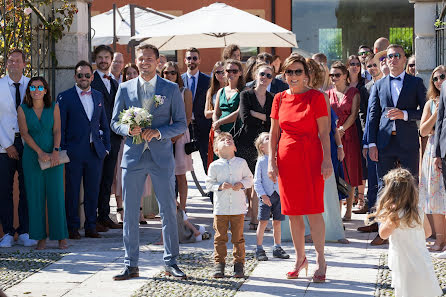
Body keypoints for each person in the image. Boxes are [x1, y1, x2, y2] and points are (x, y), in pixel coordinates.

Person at [111, 44, 187, 280]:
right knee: (130, 213)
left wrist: (159, 133)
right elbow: (114, 122)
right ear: (136, 61)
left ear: (158, 62)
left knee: (168, 211)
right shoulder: (124, 88)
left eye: (149, 59)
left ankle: (171, 262)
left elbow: (182, 123)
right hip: (133, 157)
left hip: (161, 157)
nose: (145, 62)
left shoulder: (171, 88)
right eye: (141, 59)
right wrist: (127, 128)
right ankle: (130, 264)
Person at [268, 54, 332, 281]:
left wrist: (327, 160)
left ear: (307, 75)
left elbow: (324, 133)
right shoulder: (278, 98)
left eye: (298, 72)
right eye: (289, 72)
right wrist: (271, 162)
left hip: (312, 158)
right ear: (284, 75)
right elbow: (274, 134)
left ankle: (321, 260)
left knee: (314, 211)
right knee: (293, 213)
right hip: (287, 159)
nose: (293, 76)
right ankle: (299, 259)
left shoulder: (317, 97)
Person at [368, 44, 427, 245]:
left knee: (411, 184)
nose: (392, 60)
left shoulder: (416, 83)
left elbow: (424, 111)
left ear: (404, 59)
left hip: (408, 141)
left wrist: (405, 115)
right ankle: (382, 230)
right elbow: (372, 116)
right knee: (383, 185)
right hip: (384, 142)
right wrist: (371, 143)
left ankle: (413, 226)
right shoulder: (378, 84)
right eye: (389, 57)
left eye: (396, 56)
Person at [58, 60, 111, 240]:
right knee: (72, 191)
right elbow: (61, 127)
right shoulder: (65, 97)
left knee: (92, 191)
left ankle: (90, 226)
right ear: (75, 77)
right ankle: (72, 227)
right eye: (80, 75)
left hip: (95, 152)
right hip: (73, 152)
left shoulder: (97, 95)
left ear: (92, 77)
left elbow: (104, 122)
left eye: (87, 75)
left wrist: (107, 148)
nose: (83, 78)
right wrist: (63, 150)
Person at [371, 168, 442, 297]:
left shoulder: (395, 215)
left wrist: (384, 218)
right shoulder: (418, 211)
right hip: (421, 259)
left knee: (405, 291)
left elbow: (383, 234)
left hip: (404, 262)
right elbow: (428, 232)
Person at [17, 77, 68, 250]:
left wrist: (54, 150)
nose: (36, 90)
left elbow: (57, 130)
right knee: (35, 198)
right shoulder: (22, 109)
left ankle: (61, 237)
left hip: (54, 156)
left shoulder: (54, 107)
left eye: (40, 87)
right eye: (33, 87)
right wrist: (40, 153)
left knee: (56, 196)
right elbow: (24, 133)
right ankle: (40, 238)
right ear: (29, 90)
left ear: (45, 90)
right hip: (32, 158)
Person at [304, 58, 347, 243]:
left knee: (328, 190)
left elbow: (332, 126)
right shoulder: (290, 95)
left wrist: (339, 146)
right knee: (305, 191)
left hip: (324, 146)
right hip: (303, 147)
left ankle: (334, 231)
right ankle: (306, 230)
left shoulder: (322, 96)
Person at [0, 48, 36, 248]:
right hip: (3, 147)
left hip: (27, 145)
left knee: (27, 189)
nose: (14, 64)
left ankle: (24, 231)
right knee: (3, 190)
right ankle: (6, 232)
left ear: (24, 64)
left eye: (18, 61)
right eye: (10, 61)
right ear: (6, 64)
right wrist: (6, 144)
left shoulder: (32, 86)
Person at [205, 132, 253, 278]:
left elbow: (249, 179)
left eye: (230, 139)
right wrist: (219, 186)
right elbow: (208, 184)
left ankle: (239, 265)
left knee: (238, 238)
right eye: (222, 140)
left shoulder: (241, 163)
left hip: (238, 208)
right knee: (220, 237)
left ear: (235, 148)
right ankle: (219, 264)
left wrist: (242, 184)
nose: (227, 140)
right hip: (221, 209)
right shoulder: (214, 165)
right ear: (216, 150)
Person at [238, 62, 275, 230]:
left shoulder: (273, 98)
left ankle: (258, 219)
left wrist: (256, 114)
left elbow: (273, 120)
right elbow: (245, 118)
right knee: (253, 184)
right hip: (247, 144)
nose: (265, 78)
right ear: (255, 75)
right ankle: (254, 220)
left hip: (265, 146)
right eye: (262, 74)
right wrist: (264, 117)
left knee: (261, 183)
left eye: (269, 75)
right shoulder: (245, 95)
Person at [113, 63, 151, 224]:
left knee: (141, 177)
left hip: (143, 141)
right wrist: (127, 127)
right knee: (121, 177)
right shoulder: (121, 91)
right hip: (125, 141)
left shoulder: (146, 93)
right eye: (128, 73)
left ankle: (140, 212)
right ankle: (121, 212)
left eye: (134, 73)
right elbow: (114, 119)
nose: (131, 76)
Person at [91, 45, 122, 232]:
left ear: (111, 60)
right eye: (100, 57)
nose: (103, 60)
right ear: (96, 60)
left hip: (114, 138)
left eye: (106, 57)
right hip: (97, 138)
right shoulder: (90, 80)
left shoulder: (115, 82)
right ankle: (93, 218)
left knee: (108, 178)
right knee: (95, 178)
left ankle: (104, 215)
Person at [327, 62, 362, 221]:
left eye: (337, 75)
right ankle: (337, 210)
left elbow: (354, 114)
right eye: (331, 75)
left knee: (350, 173)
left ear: (345, 76)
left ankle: (349, 209)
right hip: (333, 137)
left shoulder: (354, 92)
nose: (334, 78)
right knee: (337, 171)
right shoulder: (327, 94)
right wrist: (335, 132)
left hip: (349, 135)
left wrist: (342, 129)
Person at [161, 61, 193, 211]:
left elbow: (187, 117)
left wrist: (176, 135)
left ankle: (183, 208)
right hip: (163, 135)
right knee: (164, 174)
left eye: (173, 72)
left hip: (180, 136)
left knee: (180, 175)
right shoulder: (158, 90)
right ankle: (170, 205)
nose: (169, 75)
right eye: (166, 72)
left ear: (178, 74)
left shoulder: (185, 92)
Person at [420, 65, 446, 251]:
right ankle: (439, 240)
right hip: (432, 150)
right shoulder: (430, 103)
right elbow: (423, 131)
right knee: (435, 198)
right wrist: (437, 113)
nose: (438, 81)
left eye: (442, 77)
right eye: (435, 78)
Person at [356, 54, 383, 222]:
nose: (372, 68)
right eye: (369, 66)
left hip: (391, 139)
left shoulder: (389, 83)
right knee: (372, 179)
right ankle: (373, 219)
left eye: (375, 65)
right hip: (372, 138)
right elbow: (364, 114)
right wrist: (368, 140)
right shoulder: (365, 88)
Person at [253, 132, 289, 261]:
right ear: (261, 146)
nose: (271, 139)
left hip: (279, 196)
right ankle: (259, 248)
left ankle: (277, 247)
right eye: (267, 138)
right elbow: (257, 181)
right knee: (263, 222)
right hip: (266, 196)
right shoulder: (261, 162)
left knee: (277, 222)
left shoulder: (279, 158)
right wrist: (263, 195)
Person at [181, 47, 211, 173]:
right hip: (184, 126)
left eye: (194, 58)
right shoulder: (179, 80)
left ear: (199, 60)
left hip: (203, 125)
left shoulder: (208, 80)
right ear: (184, 60)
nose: (191, 61)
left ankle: (211, 191)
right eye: (189, 58)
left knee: (207, 159)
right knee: (180, 161)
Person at [213, 59, 244, 133]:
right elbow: (216, 113)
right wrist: (217, 129)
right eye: (228, 71)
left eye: (235, 71)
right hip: (221, 132)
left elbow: (239, 113)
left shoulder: (245, 91)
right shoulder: (221, 91)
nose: (231, 73)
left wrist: (219, 122)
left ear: (240, 73)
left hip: (237, 131)